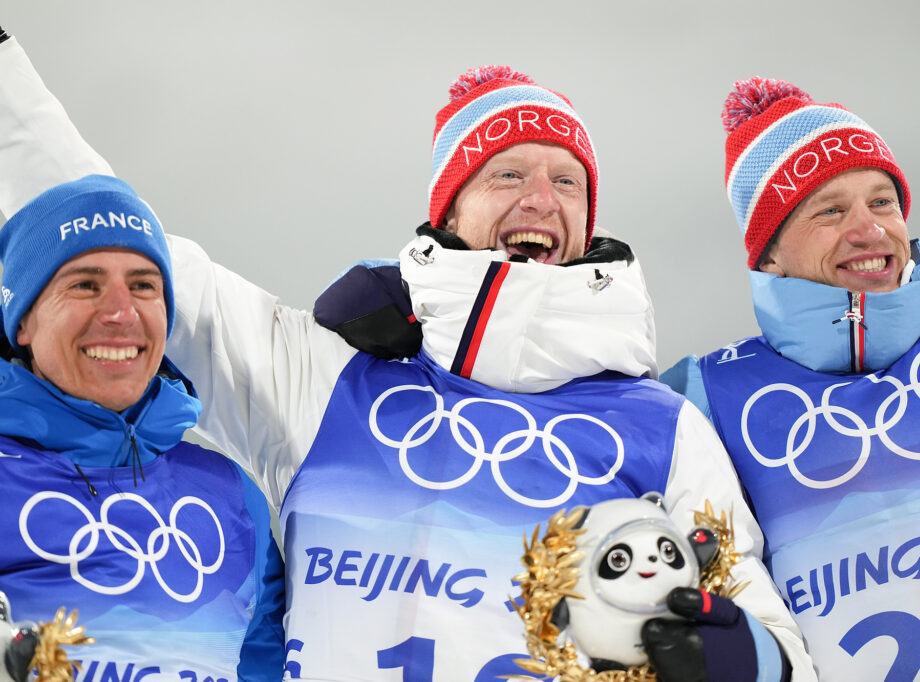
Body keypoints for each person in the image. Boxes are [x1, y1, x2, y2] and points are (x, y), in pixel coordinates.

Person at [0, 31, 816, 680]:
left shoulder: (662, 428)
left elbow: (758, 625)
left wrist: (757, 661)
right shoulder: (330, 378)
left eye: (567, 183)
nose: (540, 199)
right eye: (507, 175)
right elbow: (100, 232)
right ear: (450, 209)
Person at [657, 77, 920, 680]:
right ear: (768, 253)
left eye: (882, 202)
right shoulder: (702, 399)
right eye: (831, 210)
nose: (870, 230)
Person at [0, 171, 286, 678]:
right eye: (85, 285)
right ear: (22, 320)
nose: (119, 311)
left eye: (144, 286)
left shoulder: (231, 495)